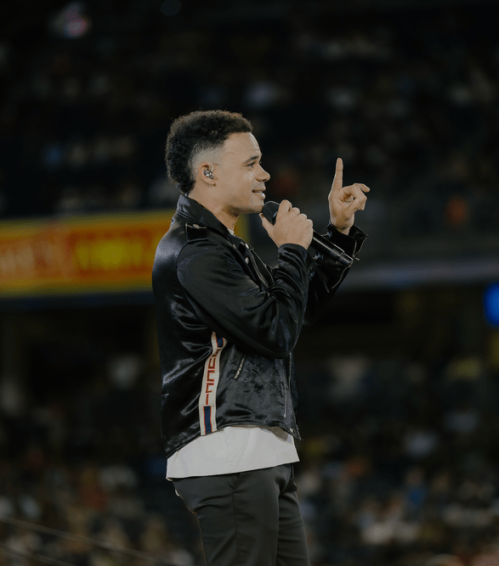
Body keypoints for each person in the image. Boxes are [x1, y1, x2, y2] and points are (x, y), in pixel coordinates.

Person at [152, 110, 369, 566]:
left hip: (257, 447)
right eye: (251, 163)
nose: (265, 174)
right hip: (227, 447)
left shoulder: (221, 244)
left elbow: (295, 311)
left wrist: (338, 234)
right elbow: (277, 332)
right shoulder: (195, 251)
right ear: (207, 173)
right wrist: (291, 250)